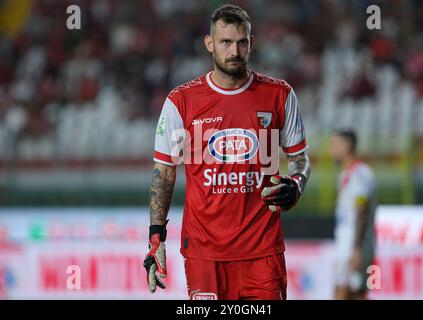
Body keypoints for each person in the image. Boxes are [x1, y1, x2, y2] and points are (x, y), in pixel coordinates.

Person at [142, 4, 311, 300]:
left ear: (251, 43)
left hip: (262, 252)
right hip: (205, 254)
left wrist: (296, 184)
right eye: (225, 42)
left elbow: (300, 160)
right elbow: (164, 174)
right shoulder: (182, 102)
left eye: (241, 42)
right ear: (210, 44)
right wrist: (156, 238)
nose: (234, 51)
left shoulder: (279, 95)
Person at [329, 130, 377, 300]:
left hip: (353, 245)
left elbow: (361, 210)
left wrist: (356, 248)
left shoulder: (360, 173)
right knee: (357, 292)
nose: (331, 150)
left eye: (334, 145)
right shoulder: (347, 173)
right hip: (351, 243)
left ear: (347, 146)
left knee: (343, 291)